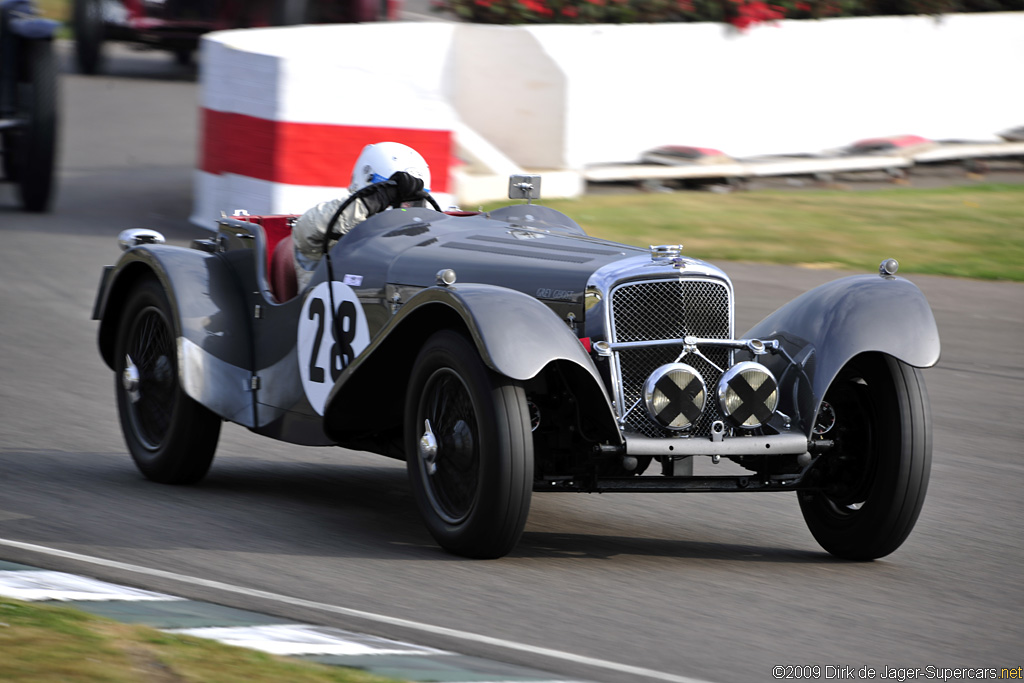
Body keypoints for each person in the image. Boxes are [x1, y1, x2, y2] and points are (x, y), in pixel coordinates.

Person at [292, 142, 431, 289]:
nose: (404, 207)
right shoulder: (331, 237)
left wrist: (420, 221)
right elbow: (306, 230)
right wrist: (370, 201)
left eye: (411, 202)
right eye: (394, 197)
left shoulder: (415, 243)